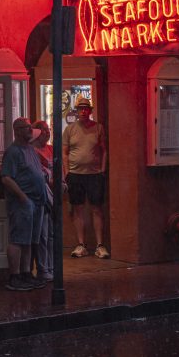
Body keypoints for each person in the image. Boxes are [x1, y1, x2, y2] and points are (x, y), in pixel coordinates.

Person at [1, 117, 48, 291]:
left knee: (29, 240)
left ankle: (26, 273)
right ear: (18, 131)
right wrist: (23, 198)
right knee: (18, 239)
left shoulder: (29, 149)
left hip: (36, 201)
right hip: (23, 203)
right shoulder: (13, 152)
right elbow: (6, 178)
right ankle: (14, 276)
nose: (30, 131)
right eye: (27, 128)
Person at [62, 96, 109, 259]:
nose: (83, 111)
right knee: (78, 209)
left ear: (90, 111)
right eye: (80, 108)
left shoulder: (98, 128)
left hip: (94, 174)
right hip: (75, 175)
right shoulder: (70, 130)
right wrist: (67, 172)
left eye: (86, 108)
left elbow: (104, 150)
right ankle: (81, 244)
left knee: (97, 208)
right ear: (76, 111)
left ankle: (100, 245)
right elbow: (64, 153)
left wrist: (102, 169)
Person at [31, 120, 56, 283]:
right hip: (42, 196)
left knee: (51, 234)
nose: (47, 133)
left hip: (54, 195)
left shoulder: (51, 149)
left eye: (49, 130)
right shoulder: (32, 151)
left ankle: (51, 265)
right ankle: (42, 268)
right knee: (43, 234)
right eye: (44, 130)